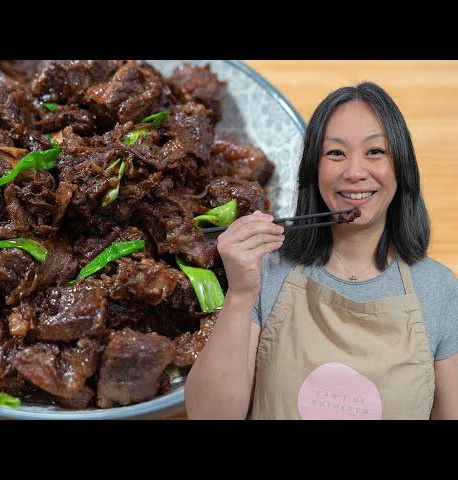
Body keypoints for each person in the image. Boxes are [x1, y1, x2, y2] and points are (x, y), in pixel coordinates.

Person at [185, 82, 458, 420]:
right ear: (314, 169)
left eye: (375, 152)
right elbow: (208, 415)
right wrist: (240, 293)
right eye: (335, 153)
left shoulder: (440, 289)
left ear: (401, 167)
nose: (355, 172)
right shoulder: (267, 271)